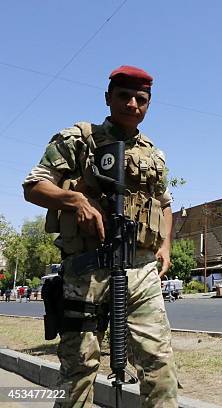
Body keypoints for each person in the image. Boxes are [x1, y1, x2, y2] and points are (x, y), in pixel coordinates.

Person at [23, 65, 178, 407]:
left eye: (142, 99)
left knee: (160, 366)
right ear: (108, 98)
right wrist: (75, 199)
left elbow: (165, 204)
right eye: (124, 96)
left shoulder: (154, 154)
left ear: (148, 105)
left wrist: (165, 245)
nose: (133, 104)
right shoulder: (79, 139)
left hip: (139, 270)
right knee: (79, 369)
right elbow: (33, 186)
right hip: (86, 270)